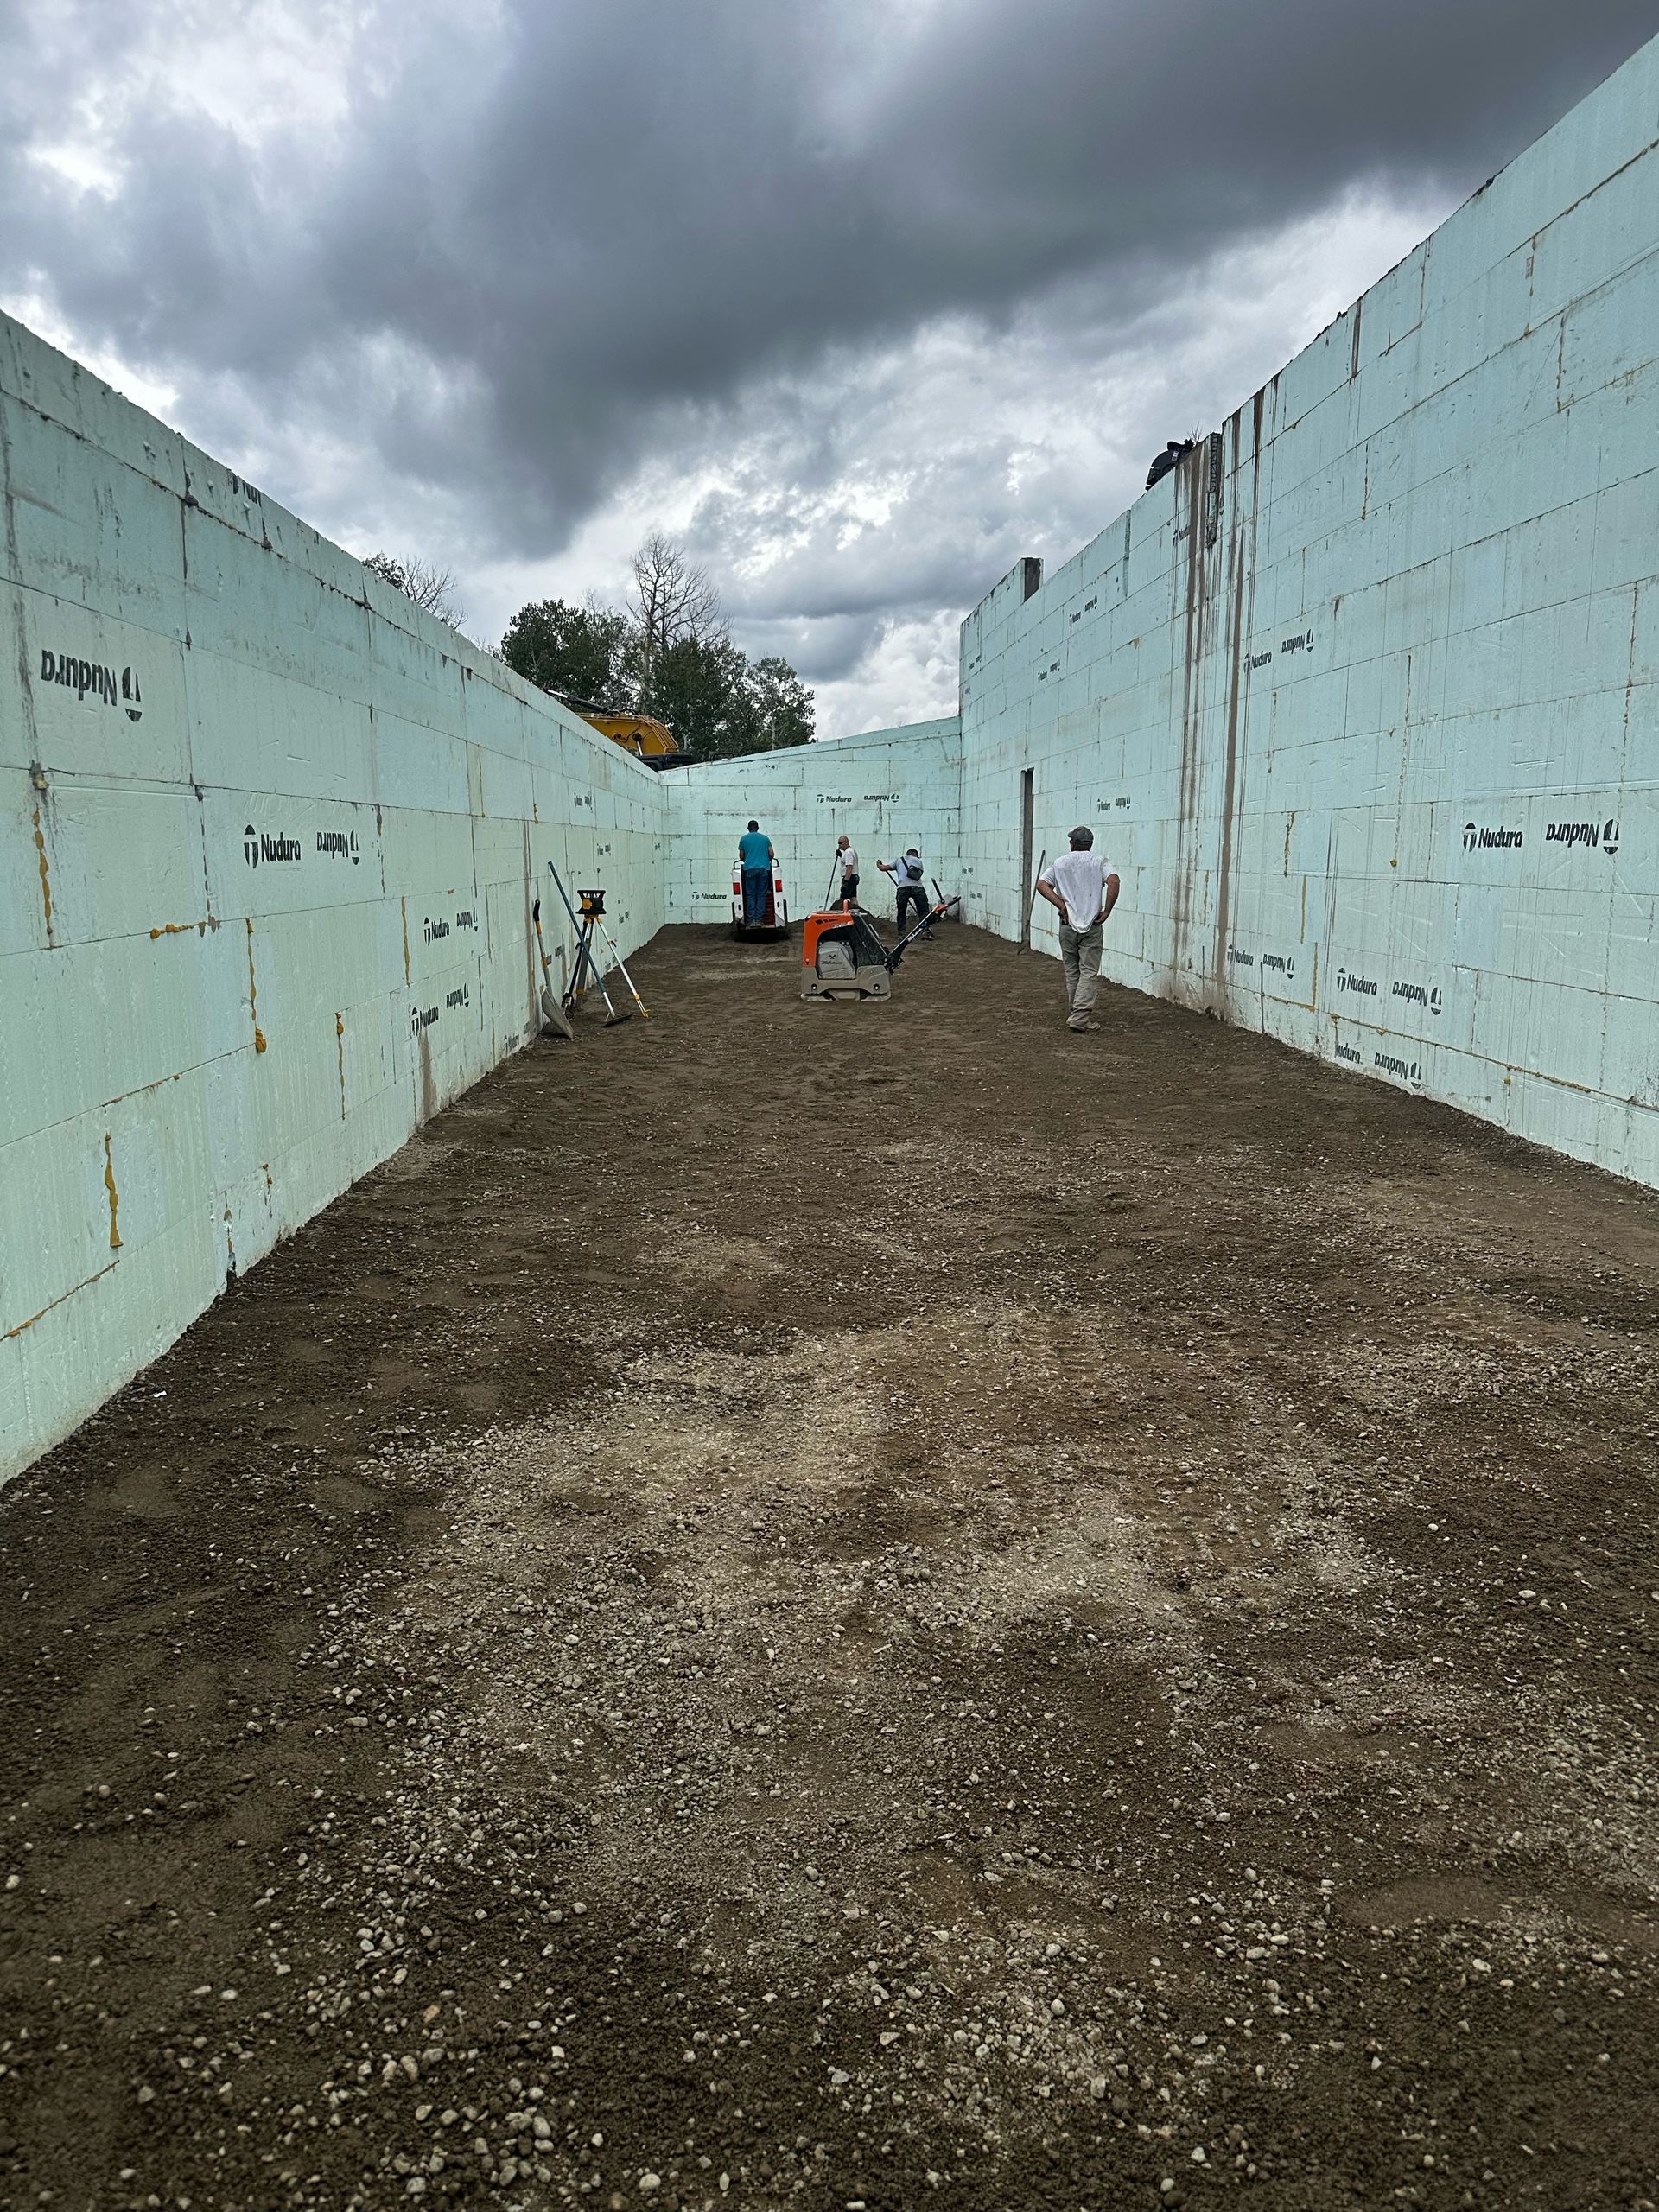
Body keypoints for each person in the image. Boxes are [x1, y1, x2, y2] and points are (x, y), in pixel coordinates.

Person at [1034, 826, 1120, 1033]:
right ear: (1090, 845)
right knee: (1088, 971)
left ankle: (1075, 1013)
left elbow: (1041, 885)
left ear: (1072, 844)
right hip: (1092, 925)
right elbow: (1114, 881)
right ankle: (1080, 1018)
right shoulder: (1100, 861)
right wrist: (1107, 911)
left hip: (1067, 925)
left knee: (1072, 970)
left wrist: (1061, 905)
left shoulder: (1060, 863)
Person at [878, 846, 931, 935]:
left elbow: (883, 868)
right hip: (917, 887)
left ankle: (901, 933)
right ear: (916, 855)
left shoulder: (899, 860)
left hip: (903, 888)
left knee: (901, 911)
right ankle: (925, 930)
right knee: (923, 910)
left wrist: (879, 864)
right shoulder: (919, 861)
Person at [737, 818, 773, 926]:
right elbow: (771, 854)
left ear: (748, 829)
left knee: (751, 895)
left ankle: (752, 921)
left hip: (749, 870)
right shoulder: (765, 839)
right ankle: (760, 920)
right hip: (763, 870)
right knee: (761, 895)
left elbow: (741, 856)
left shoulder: (743, 839)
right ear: (757, 828)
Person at [832, 832, 860, 908]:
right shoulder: (848, 852)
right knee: (853, 897)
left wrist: (846, 881)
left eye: (841, 843)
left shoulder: (848, 852)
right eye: (838, 843)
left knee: (842, 898)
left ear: (846, 842)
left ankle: (842, 914)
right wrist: (841, 855)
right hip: (853, 877)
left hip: (849, 877)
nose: (839, 845)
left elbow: (849, 867)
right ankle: (856, 912)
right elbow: (846, 862)